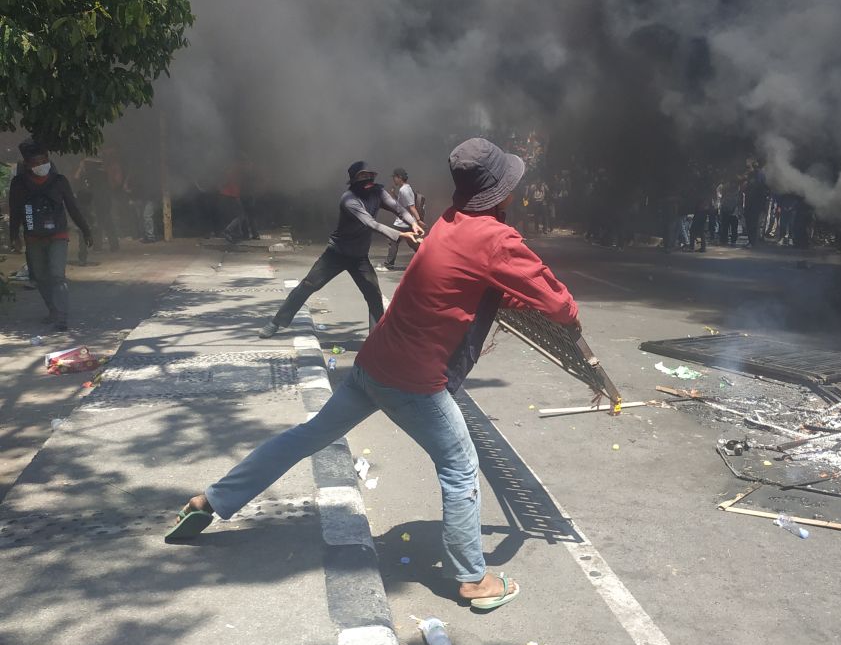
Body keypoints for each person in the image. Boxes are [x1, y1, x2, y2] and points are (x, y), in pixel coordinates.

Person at [168, 138, 581, 611]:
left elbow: (467, 283)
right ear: (501, 191)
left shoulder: (450, 222)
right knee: (460, 465)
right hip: (413, 380)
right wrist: (567, 310)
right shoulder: (495, 238)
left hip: (374, 363)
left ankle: (210, 500)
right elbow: (558, 305)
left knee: (307, 436)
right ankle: (472, 579)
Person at [258, 161, 420, 338]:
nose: (367, 179)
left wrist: (413, 223)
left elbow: (398, 208)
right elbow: (371, 223)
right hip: (337, 254)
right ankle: (276, 322)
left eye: (369, 175)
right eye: (362, 176)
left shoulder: (378, 193)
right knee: (308, 285)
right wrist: (402, 235)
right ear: (353, 179)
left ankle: (376, 339)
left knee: (374, 295)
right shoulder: (349, 199)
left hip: (359, 257)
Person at [8, 138, 93, 330]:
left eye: (43, 161)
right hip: (32, 237)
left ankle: (61, 317)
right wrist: (14, 236)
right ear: (27, 165)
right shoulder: (18, 184)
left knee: (57, 275)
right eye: (35, 163)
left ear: (48, 159)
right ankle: (53, 309)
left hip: (58, 236)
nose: (40, 165)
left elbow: (73, 207)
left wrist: (85, 230)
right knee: (39, 277)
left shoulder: (59, 181)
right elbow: (15, 211)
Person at [381, 167, 425, 270]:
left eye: (394, 177)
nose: (393, 180)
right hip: (406, 221)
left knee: (393, 240)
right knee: (413, 243)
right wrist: (393, 195)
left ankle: (388, 265)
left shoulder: (404, 190)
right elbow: (401, 204)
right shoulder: (405, 189)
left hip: (404, 222)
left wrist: (418, 221)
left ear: (399, 177)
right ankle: (427, 259)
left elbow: (411, 206)